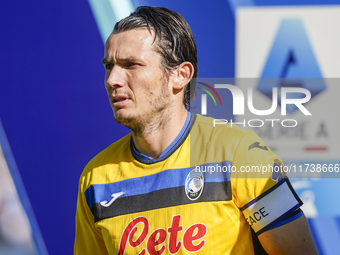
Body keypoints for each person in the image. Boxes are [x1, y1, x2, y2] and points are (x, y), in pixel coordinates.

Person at [74, 6, 318, 255]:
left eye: (131, 65)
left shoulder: (239, 154)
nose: (112, 79)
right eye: (108, 66)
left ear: (180, 75)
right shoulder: (95, 179)